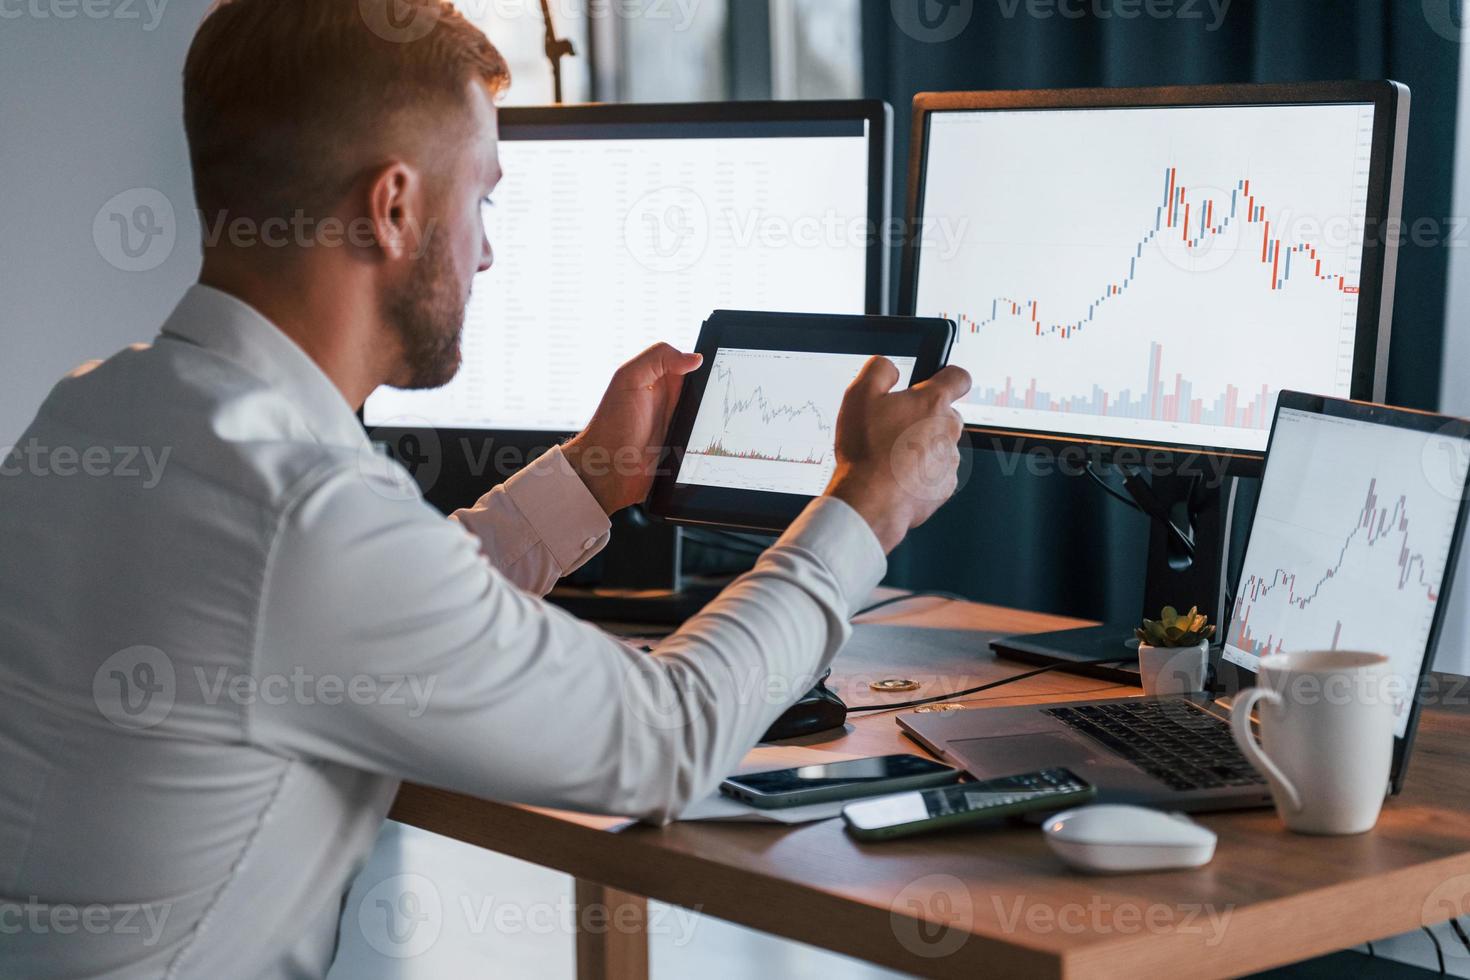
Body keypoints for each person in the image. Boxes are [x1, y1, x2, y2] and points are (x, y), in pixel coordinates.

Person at [0, 1, 971, 976]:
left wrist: (591, 478)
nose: (488, 252)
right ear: (393, 208)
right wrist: (867, 505)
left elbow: (369, 600)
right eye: (483, 200)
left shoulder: (93, 415)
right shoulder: (303, 510)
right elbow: (665, 739)